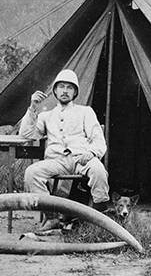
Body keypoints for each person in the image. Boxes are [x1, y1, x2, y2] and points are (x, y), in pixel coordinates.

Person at [20, 69, 109, 231]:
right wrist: (33, 107)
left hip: (81, 158)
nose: (65, 91)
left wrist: (92, 152)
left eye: (69, 87)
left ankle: (99, 219)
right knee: (31, 172)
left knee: (98, 170)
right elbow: (27, 134)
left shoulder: (85, 111)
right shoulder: (47, 115)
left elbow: (98, 139)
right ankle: (52, 217)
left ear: (75, 92)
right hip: (56, 161)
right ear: (55, 91)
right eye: (61, 87)